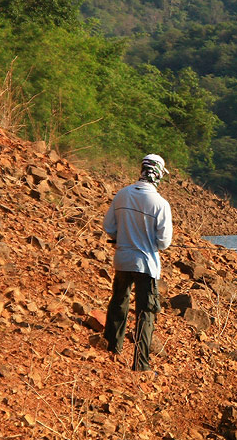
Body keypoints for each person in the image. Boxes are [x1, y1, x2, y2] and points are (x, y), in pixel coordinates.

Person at [102, 154, 173, 371]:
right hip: (146, 264)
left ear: (141, 169)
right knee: (146, 312)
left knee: (118, 303)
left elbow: (109, 227)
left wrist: (124, 236)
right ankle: (141, 364)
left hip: (123, 259)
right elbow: (163, 242)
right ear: (158, 174)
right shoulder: (160, 203)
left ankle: (112, 350)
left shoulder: (122, 195)